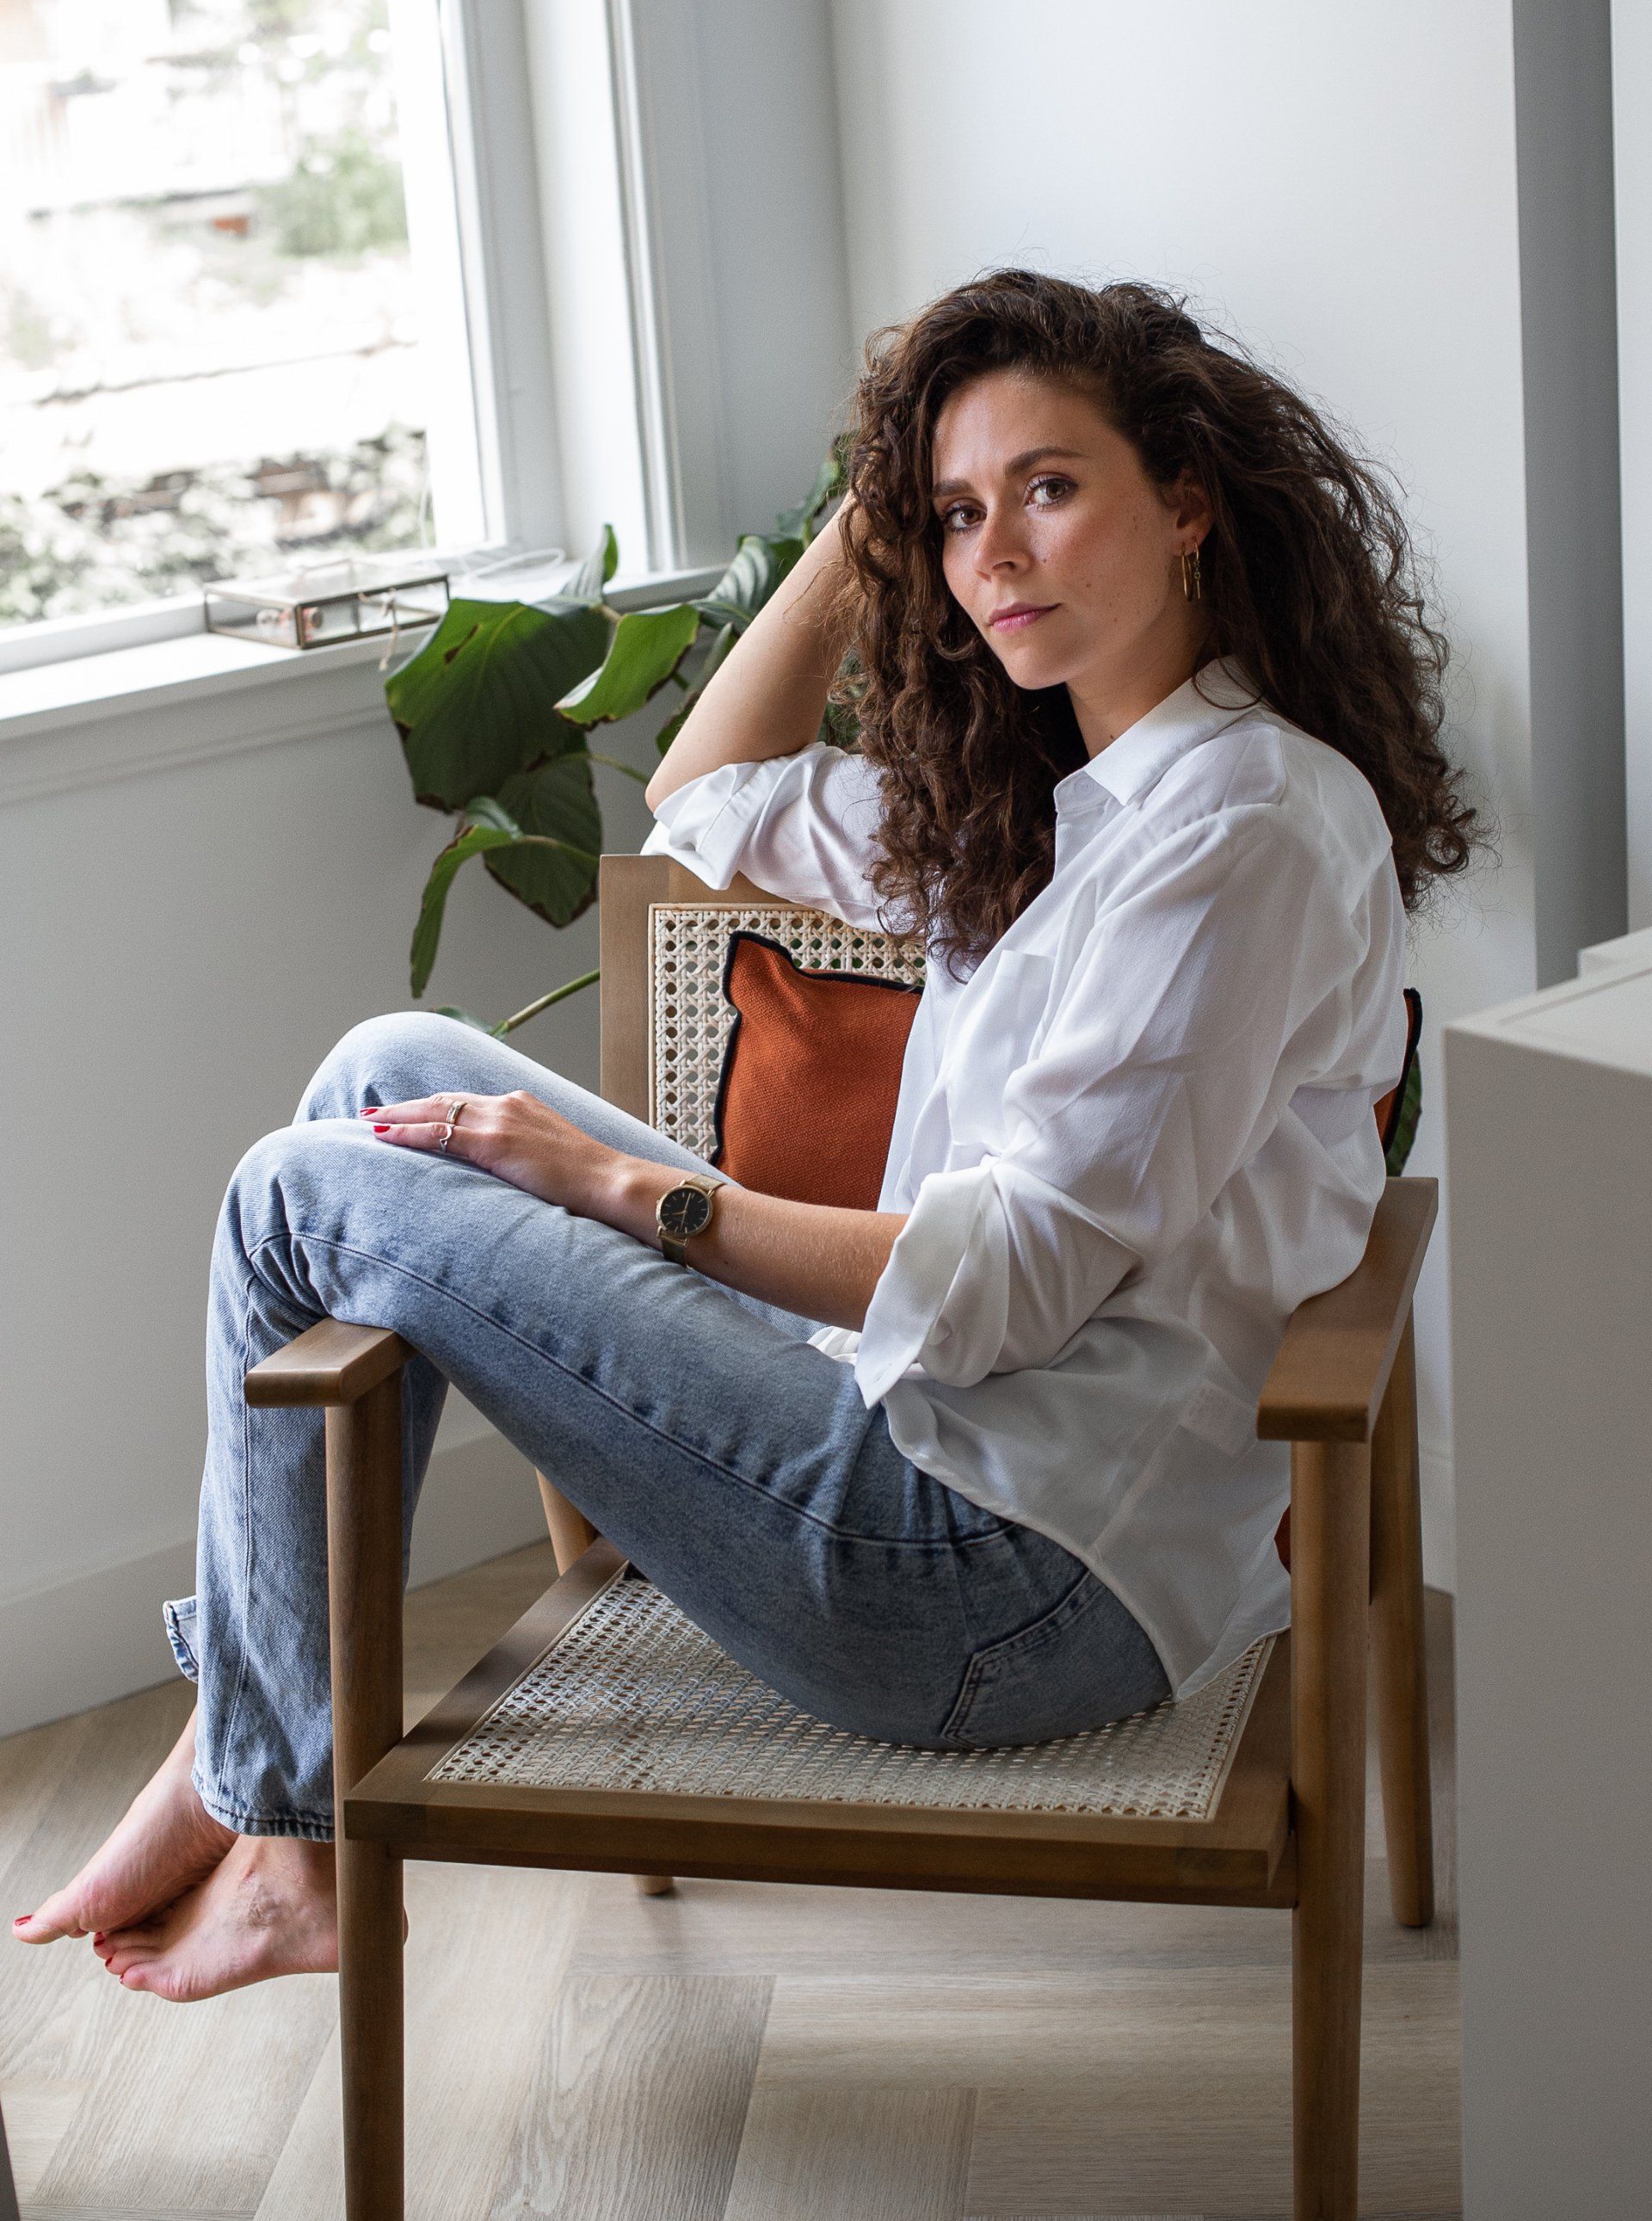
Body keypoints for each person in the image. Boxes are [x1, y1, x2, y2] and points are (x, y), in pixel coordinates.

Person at [12, 270, 1474, 2002]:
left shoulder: (1239, 824)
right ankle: (263, 1751)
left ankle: (273, 1808)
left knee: (296, 1197)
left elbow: (1011, 1284)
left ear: (1187, 504)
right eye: (955, 514)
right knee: (380, 1067)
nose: (996, 552)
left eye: (1049, 488)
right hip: (911, 1455)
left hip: (1004, 1585)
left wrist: (618, 1185)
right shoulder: (1054, 803)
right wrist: (865, 526)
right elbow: (697, 797)